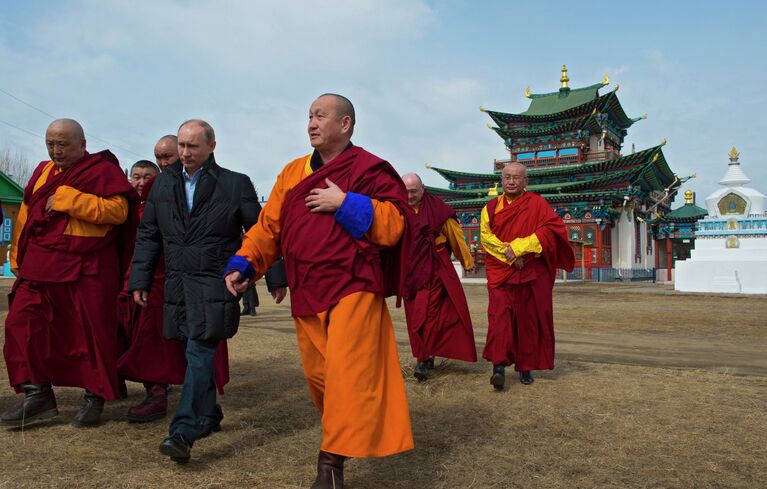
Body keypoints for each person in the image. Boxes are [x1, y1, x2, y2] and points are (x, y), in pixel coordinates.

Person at [224, 94, 414, 489]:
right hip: (307, 290)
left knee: (347, 375)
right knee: (320, 377)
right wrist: (245, 262)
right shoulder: (293, 172)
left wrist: (344, 202)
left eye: (320, 116)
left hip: (354, 286)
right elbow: (268, 228)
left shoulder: (369, 168)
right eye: (309, 116)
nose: (311, 123)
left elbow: (395, 223)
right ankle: (340, 441)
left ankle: (329, 467)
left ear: (344, 124)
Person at [128, 119, 286, 463]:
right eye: (182, 146)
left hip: (215, 282)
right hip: (176, 283)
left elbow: (261, 231)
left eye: (193, 146)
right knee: (191, 352)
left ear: (212, 147)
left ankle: (182, 431)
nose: (184, 153)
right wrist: (139, 279)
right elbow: (149, 235)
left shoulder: (234, 184)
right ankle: (211, 413)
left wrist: (276, 276)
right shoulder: (161, 186)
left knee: (200, 352)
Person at [2, 118, 138, 427]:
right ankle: (37, 393)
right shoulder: (41, 172)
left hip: (86, 265)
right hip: (40, 262)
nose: (55, 150)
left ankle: (94, 397)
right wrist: (17, 254)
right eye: (50, 143)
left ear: (82, 144)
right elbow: (26, 214)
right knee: (21, 323)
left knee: (89, 332)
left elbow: (119, 212)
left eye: (62, 144)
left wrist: (69, 200)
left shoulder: (101, 170)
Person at [117, 159, 230, 423]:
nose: (142, 182)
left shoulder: (185, 198)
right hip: (143, 281)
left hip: (180, 281)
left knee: (181, 342)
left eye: (148, 176)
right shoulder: (128, 208)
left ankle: (173, 400)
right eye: (136, 176)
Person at [480, 163, 574, 390]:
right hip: (502, 272)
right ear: (501, 181)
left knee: (527, 321)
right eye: (507, 177)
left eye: (516, 178)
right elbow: (486, 238)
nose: (511, 182)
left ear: (526, 182)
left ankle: (525, 366)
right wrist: (511, 256)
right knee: (499, 319)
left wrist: (520, 247)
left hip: (530, 272)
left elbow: (551, 231)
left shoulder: (538, 204)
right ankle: (499, 367)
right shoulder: (490, 208)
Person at [400, 172, 476, 381]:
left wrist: (466, 261)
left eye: (413, 191)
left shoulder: (438, 210)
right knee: (414, 313)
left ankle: (423, 359)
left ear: (423, 189)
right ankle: (426, 353)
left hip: (435, 267)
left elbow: (456, 236)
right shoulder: (397, 208)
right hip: (410, 270)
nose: (409, 196)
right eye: (405, 191)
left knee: (429, 316)